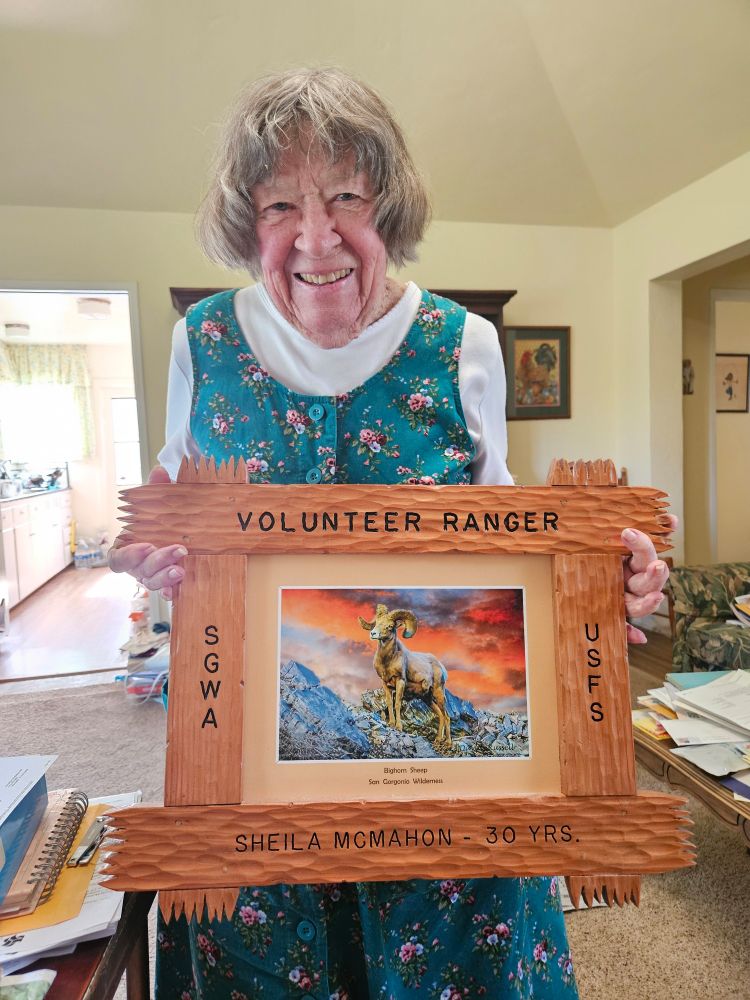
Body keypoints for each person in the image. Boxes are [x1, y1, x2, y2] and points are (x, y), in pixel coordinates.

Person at [110, 67, 670, 999]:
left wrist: (603, 582)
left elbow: (513, 549)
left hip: (451, 841)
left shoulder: (464, 345)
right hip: (250, 814)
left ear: (389, 209)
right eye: (281, 202)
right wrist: (150, 549)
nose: (316, 237)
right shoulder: (199, 344)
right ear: (246, 223)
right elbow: (167, 503)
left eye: (346, 198)